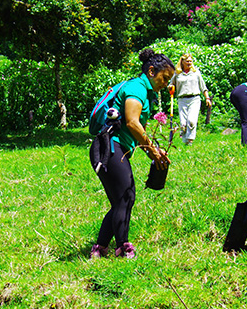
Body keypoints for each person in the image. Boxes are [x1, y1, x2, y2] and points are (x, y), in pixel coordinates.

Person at [89, 49, 174, 259]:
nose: (167, 84)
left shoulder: (146, 93)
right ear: (152, 71)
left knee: (121, 200)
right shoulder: (137, 87)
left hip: (117, 148)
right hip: (110, 148)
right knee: (126, 197)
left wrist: (155, 152)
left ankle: (99, 249)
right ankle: (123, 248)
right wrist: (154, 150)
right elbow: (132, 123)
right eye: (164, 78)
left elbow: (138, 133)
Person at [169, 53, 211, 145]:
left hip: (194, 99)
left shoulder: (196, 72)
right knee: (183, 123)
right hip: (182, 99)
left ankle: (190, 140)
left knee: (191, 120)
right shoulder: (177, 73)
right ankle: (185, 142)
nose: (189, 63)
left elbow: (203, 87)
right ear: (182, 62)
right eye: (187, 61)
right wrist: (171, 87)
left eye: (191, 61)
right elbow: (171, 84)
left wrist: (207, 98)